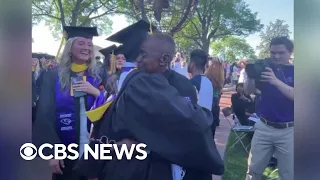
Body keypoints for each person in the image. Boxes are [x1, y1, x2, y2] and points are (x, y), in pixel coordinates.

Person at [75, 21, 224, 180]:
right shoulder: (135, 79)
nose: (137, 60)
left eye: (144, 55)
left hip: (153, 168)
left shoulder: (176, 84)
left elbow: (187, 126)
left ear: (164, 59)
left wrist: (143, 145)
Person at [33, 26, 105, 180]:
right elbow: (45, 114)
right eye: (81, 43)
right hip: (64, 150)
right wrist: (52, 151)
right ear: (70, 48)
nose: (86, 48)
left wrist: (97, 93)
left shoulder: (99, 75)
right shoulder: (52, 76)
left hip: (93, 150)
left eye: (89, 45)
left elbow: (112, 109)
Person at [244, 36, 294, 180]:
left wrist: (275, 81)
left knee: (289, 174)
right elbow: (248, 91)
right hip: (264, 126)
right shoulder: (264, 67)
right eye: (273, 52)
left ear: (290, 53)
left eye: (281, 52)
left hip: (290, 130)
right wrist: (250, 76)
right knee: (253, 171)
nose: (276, 56)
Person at [188, 49, 213, 115]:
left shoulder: (192, 83)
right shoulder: (208, 82)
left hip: (195, 122)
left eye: (189, 61)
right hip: (206, 121)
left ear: (192, 64)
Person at [205, 57, 225, 131]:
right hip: (215, 97)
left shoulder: (209, 72)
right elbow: (221, 86)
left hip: (208, 98)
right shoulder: (221, 72)